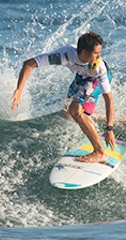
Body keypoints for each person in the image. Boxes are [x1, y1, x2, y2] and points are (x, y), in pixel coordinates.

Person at [11, 32, 115, 163]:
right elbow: (29, 64)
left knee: (75, 110)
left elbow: (108, 99)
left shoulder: (99, 67)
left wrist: (109, 129)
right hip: (81, 77)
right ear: (83, 52)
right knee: (68, 112)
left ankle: (100, 152)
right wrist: (19, 90)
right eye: (96, 53)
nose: (99, 56)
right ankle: (105, 118)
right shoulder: (64, 56)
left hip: (94, 79)